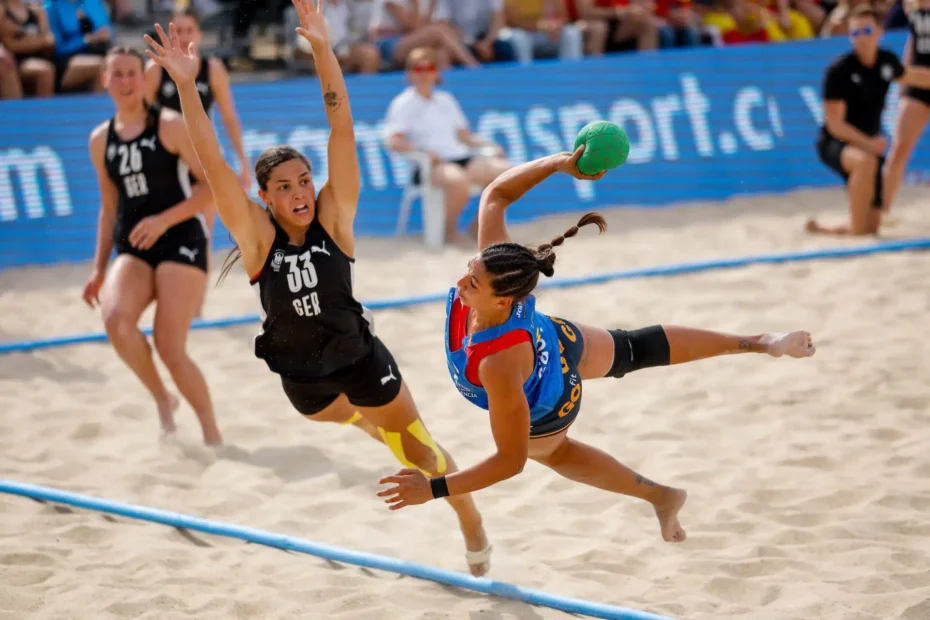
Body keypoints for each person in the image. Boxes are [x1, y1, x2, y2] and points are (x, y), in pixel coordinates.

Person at [143, 1, 492, 576]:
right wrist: (186, 86)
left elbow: (341, 129)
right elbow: (210, 162)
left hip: (359, 360)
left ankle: (470, 523)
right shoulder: (257, 238)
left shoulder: (334, 218)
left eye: (304, 179)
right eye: (284, 186)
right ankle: (366, 422)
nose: (300, 191)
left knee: (422, 453)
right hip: (303, 381)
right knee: (349, 420)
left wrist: (324, 51)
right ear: (266, 199)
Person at [377, 147, 817, 543]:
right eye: (468, 270)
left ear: (503, 300)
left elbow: (510, 461)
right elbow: (495, 194)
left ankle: (661, 495)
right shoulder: (501, 272)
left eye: (471, 282)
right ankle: (761, 342)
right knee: (633, 348)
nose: (460, 283)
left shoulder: (498, 366)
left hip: (549, 397)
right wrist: (561, 163)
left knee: (559, 453)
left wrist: (432, 490)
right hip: (556, 337)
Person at [81, 46, 223, 447]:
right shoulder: (99, 140)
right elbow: (109, 209)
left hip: (180, 235)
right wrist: (98, 269)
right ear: (105, 80)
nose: (125, 81)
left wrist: (163, 220)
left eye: (132, 73)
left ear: (144, 80)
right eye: (117, 74)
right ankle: (164, 400)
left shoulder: (170, 124)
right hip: (134, 244)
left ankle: (212, 433)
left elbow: (210, 188)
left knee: (169, 346)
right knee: (115, 321)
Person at [808, 4, 930, 235]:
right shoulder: (839, 70)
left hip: (868, 145)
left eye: (866, 31)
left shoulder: (886, 62)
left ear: (879, 33)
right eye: (855, 33)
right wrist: (868, 143)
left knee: (870, 228)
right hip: (837, 142)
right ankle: (856, 225)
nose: (861, 38)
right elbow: (835, 124)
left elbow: (916, 76)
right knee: (870, 160)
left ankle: (832, 228)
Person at [384, 46, 511, 245]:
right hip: (430, 164)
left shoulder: (446, 99)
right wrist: (422, 152)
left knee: (507, 173)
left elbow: (465, 136)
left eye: (430, 68)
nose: (425, 74)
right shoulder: (402, 104)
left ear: (436, 72)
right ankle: (448, 231)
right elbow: (394, 141)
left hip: (460, 156)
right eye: (418, 69)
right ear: (410, 74)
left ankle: (479, 225)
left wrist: (490, 146)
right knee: (458, 181)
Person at [882, 0, 930, 215]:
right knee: (899, 149)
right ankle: (881, 211)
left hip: (920, 77)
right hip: (918, 81)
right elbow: (914, 38)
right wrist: (904, 76)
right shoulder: (911, 4)